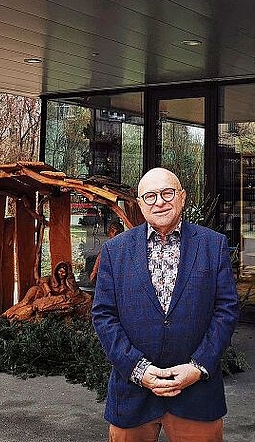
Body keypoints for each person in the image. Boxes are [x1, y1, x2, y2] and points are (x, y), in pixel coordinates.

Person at [92, 167, 240, 441]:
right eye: (150, 196)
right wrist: (139, 369)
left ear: (182, 197)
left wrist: (198, 367)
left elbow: (226, 311)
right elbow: (104, 315)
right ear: (139, 204)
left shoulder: (212, 245)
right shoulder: (115, 250)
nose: (159, 202)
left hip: (197, 394)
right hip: (132, 394)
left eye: (167, 193)